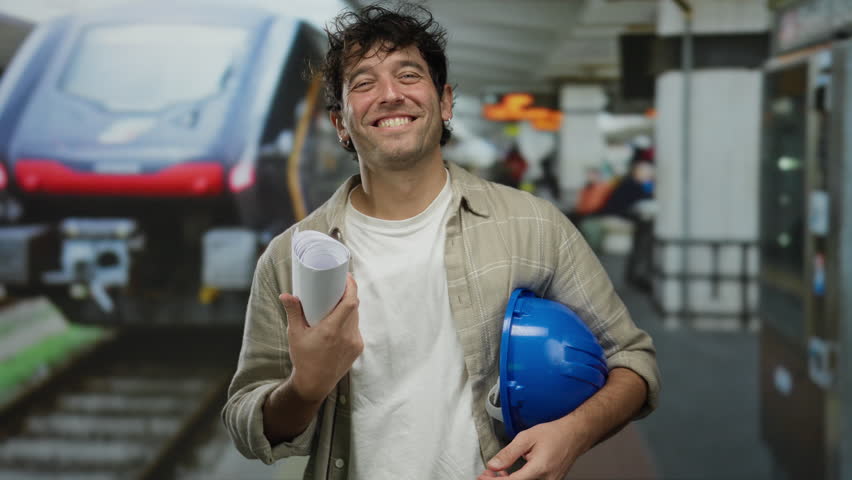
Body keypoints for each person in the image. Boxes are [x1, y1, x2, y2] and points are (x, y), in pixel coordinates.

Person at [222, 4, 660, 480]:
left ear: (445, 101)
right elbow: (246, 423)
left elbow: (632, 360)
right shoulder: (290, 258)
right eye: (364, 83)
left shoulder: (534, 226)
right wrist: (305, 388)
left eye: (408, 75)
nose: (389, 94)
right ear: (340, 123)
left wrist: (573, 434)